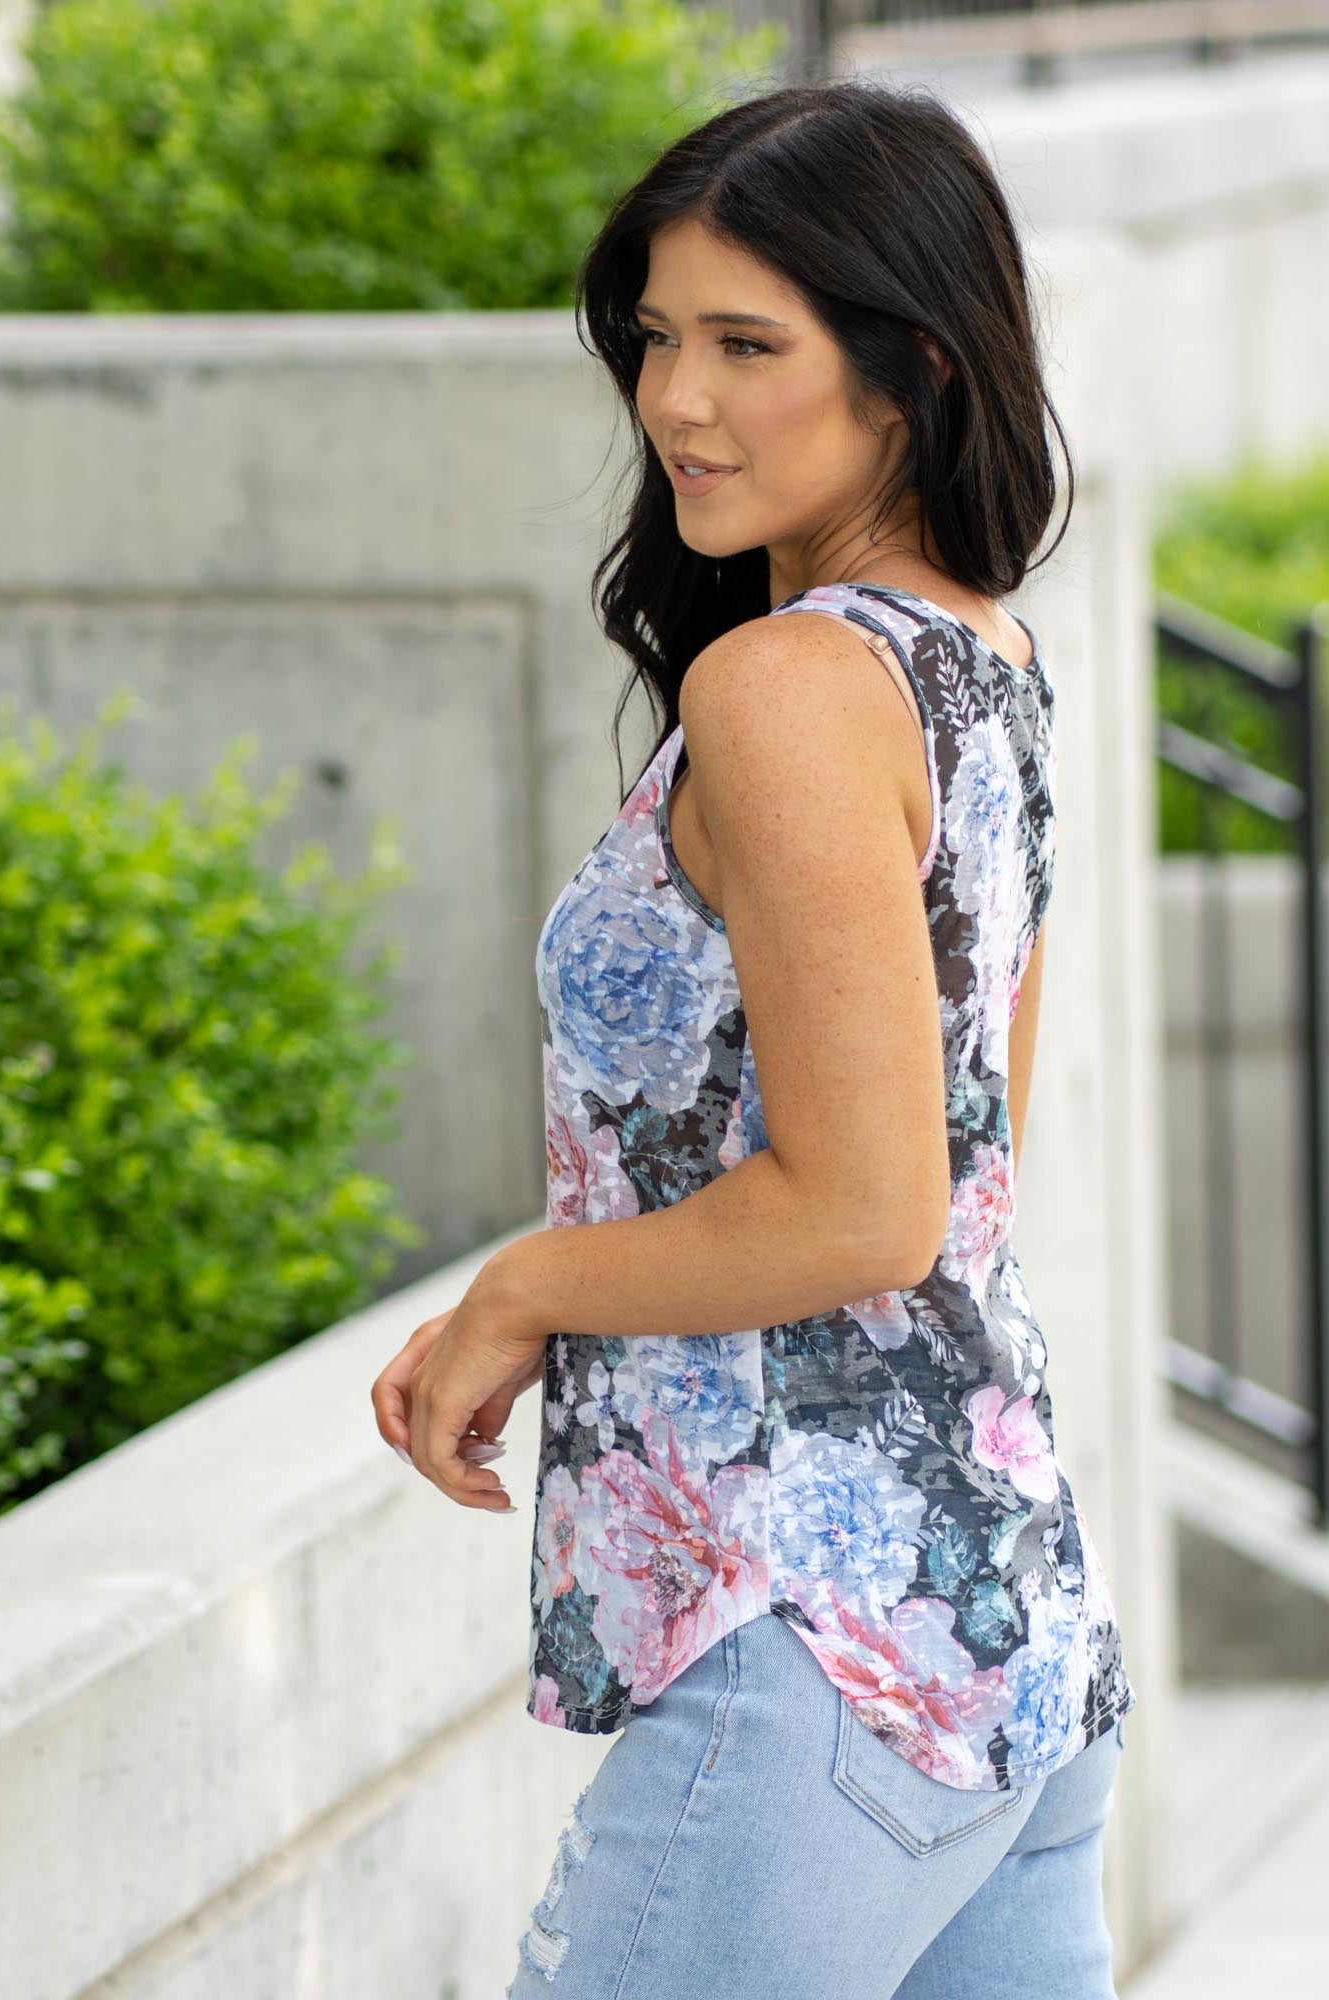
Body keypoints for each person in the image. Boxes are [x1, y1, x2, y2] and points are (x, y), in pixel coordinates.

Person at [371, 74, 1134, 2000]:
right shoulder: (981, 658)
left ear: (913, 369)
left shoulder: (789, 686)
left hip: (812, 1648)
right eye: (655, 339)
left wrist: (526, 1285)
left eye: (746, 345)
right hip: (991, 1632)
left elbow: (874, 1207)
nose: (676, 402)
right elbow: (972, 1167)